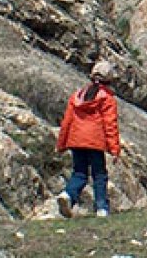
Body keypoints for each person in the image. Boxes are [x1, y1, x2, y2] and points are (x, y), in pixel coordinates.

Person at [54, 60, 122, 218]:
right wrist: (114, 149)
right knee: (99, 175)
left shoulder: (78, 95)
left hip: (75, 140)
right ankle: (101, 208)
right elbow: (110, 125)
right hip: (95, 142)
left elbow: (67, 121)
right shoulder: (107, 98)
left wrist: (61, 143)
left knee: (79, 173)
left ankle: (67, 195)